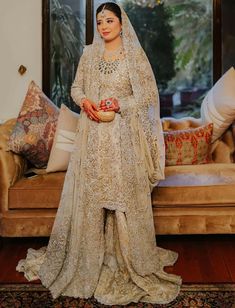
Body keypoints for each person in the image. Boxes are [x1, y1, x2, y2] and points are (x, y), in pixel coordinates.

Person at [16, 2, 182, 305]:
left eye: (109, 20)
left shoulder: (133, 56)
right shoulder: (89, 54)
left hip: (123, 140)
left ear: (121, 23)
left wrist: (120, 104)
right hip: (93, 138)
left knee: (120, 197)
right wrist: (86, 103)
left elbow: (146, 97)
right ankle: (90, 256)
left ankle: (126, 257)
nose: (103, 26)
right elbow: (76, 88)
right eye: (99, 21)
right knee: (94, 196)